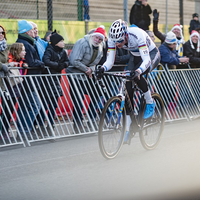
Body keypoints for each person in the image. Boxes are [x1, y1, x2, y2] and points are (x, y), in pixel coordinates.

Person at [96, 19, 160, 143]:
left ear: (126, 35)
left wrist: (139, 71)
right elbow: (110, 61)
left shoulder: (137, 35)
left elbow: (146, 60)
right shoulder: (112, 39)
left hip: (150, 55)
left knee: (138, 75)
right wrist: (102, 68)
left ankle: (150, 101)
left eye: (120, 41)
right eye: (115, 41)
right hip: (135, 57)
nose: (118, 44)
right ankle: (128, 129)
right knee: (128, 91)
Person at [65, 27, 105, 133]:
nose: (98, 40)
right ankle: (78, 124)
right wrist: (86, 69)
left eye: (100, 39)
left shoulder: (100, 46)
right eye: (96, 37)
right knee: (78, 99)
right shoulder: (82, 43)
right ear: (92, 36)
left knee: (97, 94)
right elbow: (74, 60)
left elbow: (96, 63)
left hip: (87, 75)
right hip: (75, 74)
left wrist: (90, 70)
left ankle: (91, 120)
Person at [16, 20, 45, 139]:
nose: (35, 32)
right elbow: (31, 62)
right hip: (29, 81)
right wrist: (41, 63)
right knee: (35, 106)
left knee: (25, 107)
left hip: (29, 81)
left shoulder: (28, 43)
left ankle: (22, 132)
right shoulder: (25, 44)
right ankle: (25, 131)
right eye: (33, 30)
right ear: (27, 31)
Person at [38, 31, 69, 134]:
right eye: (61, 41)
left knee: (53, 105)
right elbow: (46, 61)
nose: (63, 43)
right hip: (47, 81)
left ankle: (50, 125)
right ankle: (41, 126)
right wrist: (57, 65)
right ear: (55, 42)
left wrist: (63, 65)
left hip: (56, 80)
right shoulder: (49, 50)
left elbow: (67, 61)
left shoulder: (63, 51)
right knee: (44, 104)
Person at [2, 43, 28, 137]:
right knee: (6, 110)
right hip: (9, 88)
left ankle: (5, 130)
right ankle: (3, 131)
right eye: (23, 50)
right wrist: (11, 64)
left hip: (16, 88)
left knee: (10, 110)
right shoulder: (10, 60)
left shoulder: (21, 61)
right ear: (16, 51)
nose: (25, 52)